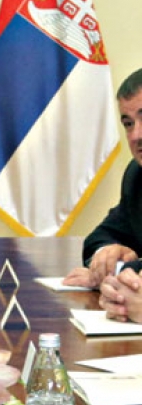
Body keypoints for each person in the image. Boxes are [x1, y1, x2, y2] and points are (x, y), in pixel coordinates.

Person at [64, 68, 142, 291]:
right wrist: (108, 253)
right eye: (128, 124)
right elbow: (99, 237)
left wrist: (115, 271)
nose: (136, 135)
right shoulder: (136, 176)